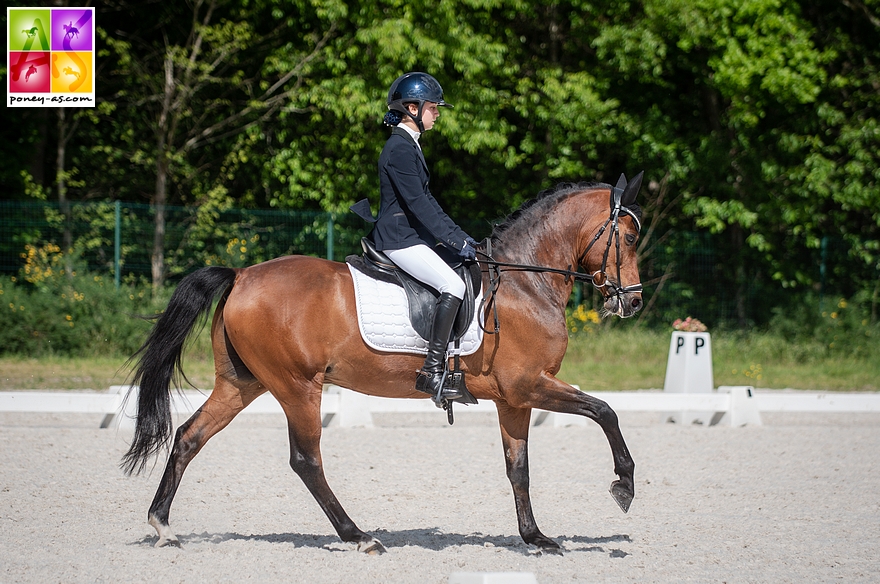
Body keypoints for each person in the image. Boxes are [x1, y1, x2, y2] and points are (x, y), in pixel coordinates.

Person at [355, 72, 478, 403]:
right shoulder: (399, 149)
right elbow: (419, 205)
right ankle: (432, 371)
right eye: (433, 107)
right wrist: (455, 242)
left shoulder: (409, 145)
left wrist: (460, 237)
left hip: (410, 235)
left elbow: (429, 204)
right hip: (399, 239)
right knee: (454, 286)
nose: (437, 113)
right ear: (412, 107)